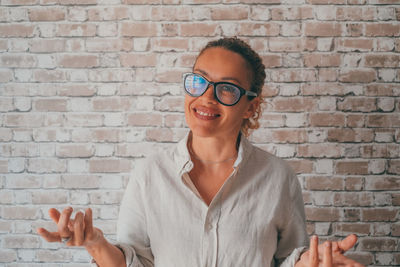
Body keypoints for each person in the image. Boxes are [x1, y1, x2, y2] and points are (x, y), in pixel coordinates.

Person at [37, 37, 364, 267]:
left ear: (251, 106)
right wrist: (95, 242)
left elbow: (289, 260)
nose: (207, 98)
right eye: (199, 82)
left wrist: (310, 263)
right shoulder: (149, 174)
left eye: (226, 88)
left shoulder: (279, 178)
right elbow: (134, 263)